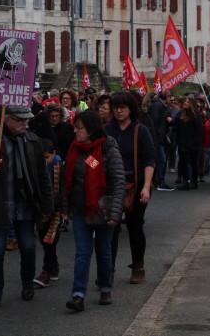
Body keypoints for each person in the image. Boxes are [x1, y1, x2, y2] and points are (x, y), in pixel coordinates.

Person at [0, 106, 53, 310]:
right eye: (20, 120)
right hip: (1, 203)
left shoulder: (33, 140)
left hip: (26, 204)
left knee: (28, 247)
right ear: (8, 120)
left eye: (26, 120)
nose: (25, 124)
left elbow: (42, 174)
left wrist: (47, 204)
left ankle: (27, 282)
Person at [63, 111, 125, 312]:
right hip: (81, 209)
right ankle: (78, 294)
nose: (76, 131)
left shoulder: (108, 148)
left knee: (104, 251)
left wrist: (116, 213)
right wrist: (65, 208)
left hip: (103, 209)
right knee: (82, 252)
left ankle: (105, 287)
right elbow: (67, 182)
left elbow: (118, 182)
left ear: (90, 129)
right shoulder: (75, 149)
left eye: (79, 127)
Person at [106, 91, 155, 284]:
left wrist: (146, 186)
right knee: (111, 227)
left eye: (122, 107)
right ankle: (108, 268)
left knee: (135, 226)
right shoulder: (108, 129)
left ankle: (138, 265)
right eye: (115, 107)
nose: (118, 111)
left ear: (130, 109)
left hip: (136, 184)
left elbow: (150, 159)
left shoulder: (140, 130)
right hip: (112, 185)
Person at [33, 138, 64, 288]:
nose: (44, 161)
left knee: (49, 240)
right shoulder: (38, 168)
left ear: (54, 154)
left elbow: (64, 191)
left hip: (56, 211)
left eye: (47, 157)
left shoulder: (60, 167)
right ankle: (54, 265)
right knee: (44, 240)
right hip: (42, 210)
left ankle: (46, 271)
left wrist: (60, 207)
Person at [173, 97, 204, 190]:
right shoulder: (180, 115)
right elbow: (176, 129)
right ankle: (185, 181)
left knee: (193, 162)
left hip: (192, 144)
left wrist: (193, 142)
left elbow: (199, 132)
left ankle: (194, 181)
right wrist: (177, 141)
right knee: (183, 162)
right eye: (185, 101)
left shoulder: (196, 116)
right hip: (182, 143)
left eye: (188, 102)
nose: (185, 103)